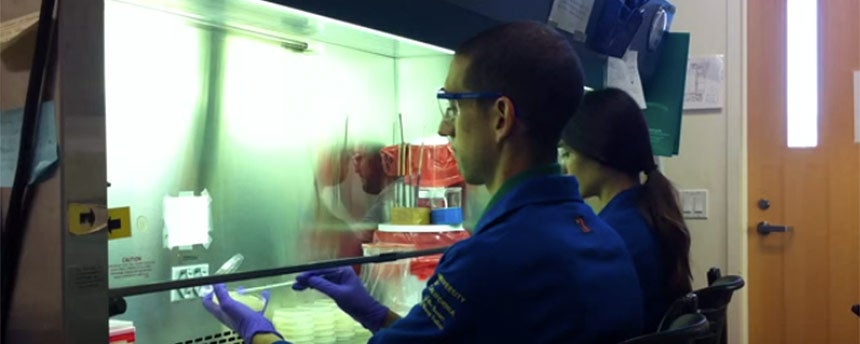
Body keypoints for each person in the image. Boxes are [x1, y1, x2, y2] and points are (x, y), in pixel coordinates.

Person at [203, 21, 644, 343]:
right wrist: (374, 313)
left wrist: (256, 331)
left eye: (452, 106)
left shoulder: (491, 259)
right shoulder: (603, 241)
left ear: (500, 117)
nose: (443, 129)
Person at [558, 88, 693, 331]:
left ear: (599, 152)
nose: (563, 167)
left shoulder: (614, 235)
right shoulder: (644, 211)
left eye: (568, 153)